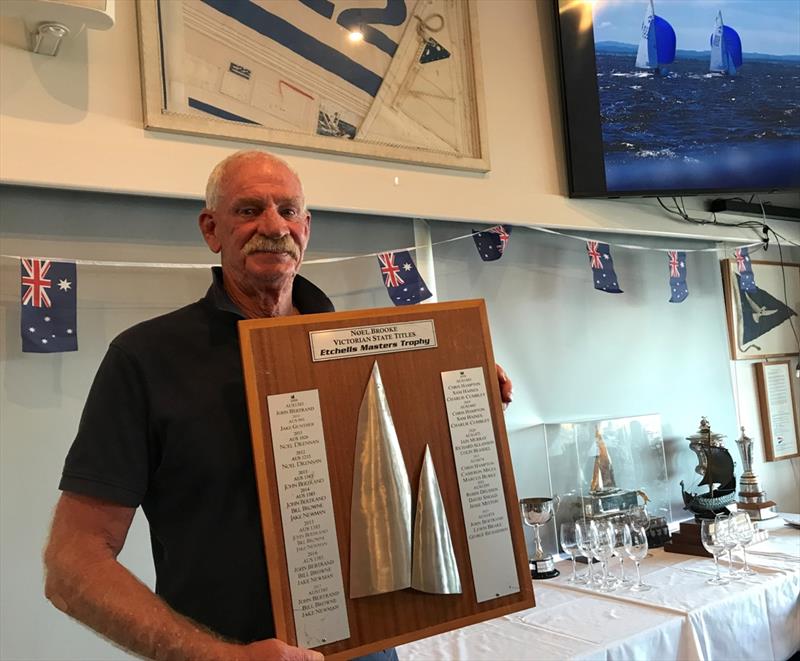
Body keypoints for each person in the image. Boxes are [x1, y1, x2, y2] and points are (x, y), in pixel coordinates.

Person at [43, 150, 513, 661]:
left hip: (368, 650)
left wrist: (461, 391)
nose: (273, 225)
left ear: (306, 227)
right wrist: (221, 659)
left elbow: (408, 477)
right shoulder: (145, 359)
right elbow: (73, 564)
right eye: (248, 210)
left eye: (288, 210)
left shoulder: (360, 349)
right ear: (211, 229)